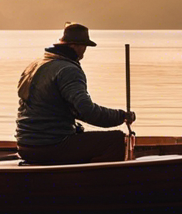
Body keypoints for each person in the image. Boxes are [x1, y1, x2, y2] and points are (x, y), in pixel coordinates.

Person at [16, 23, 135, 164]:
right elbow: (87, 111)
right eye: (84, 46)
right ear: (75, 46)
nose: (84, 51)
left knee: (81, 135)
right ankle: (94, 183)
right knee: (116, 140)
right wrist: (121, 116)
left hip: (24, 145)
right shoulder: (68, 70)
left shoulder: (36, 65)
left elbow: (73, 110)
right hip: (51, 146)